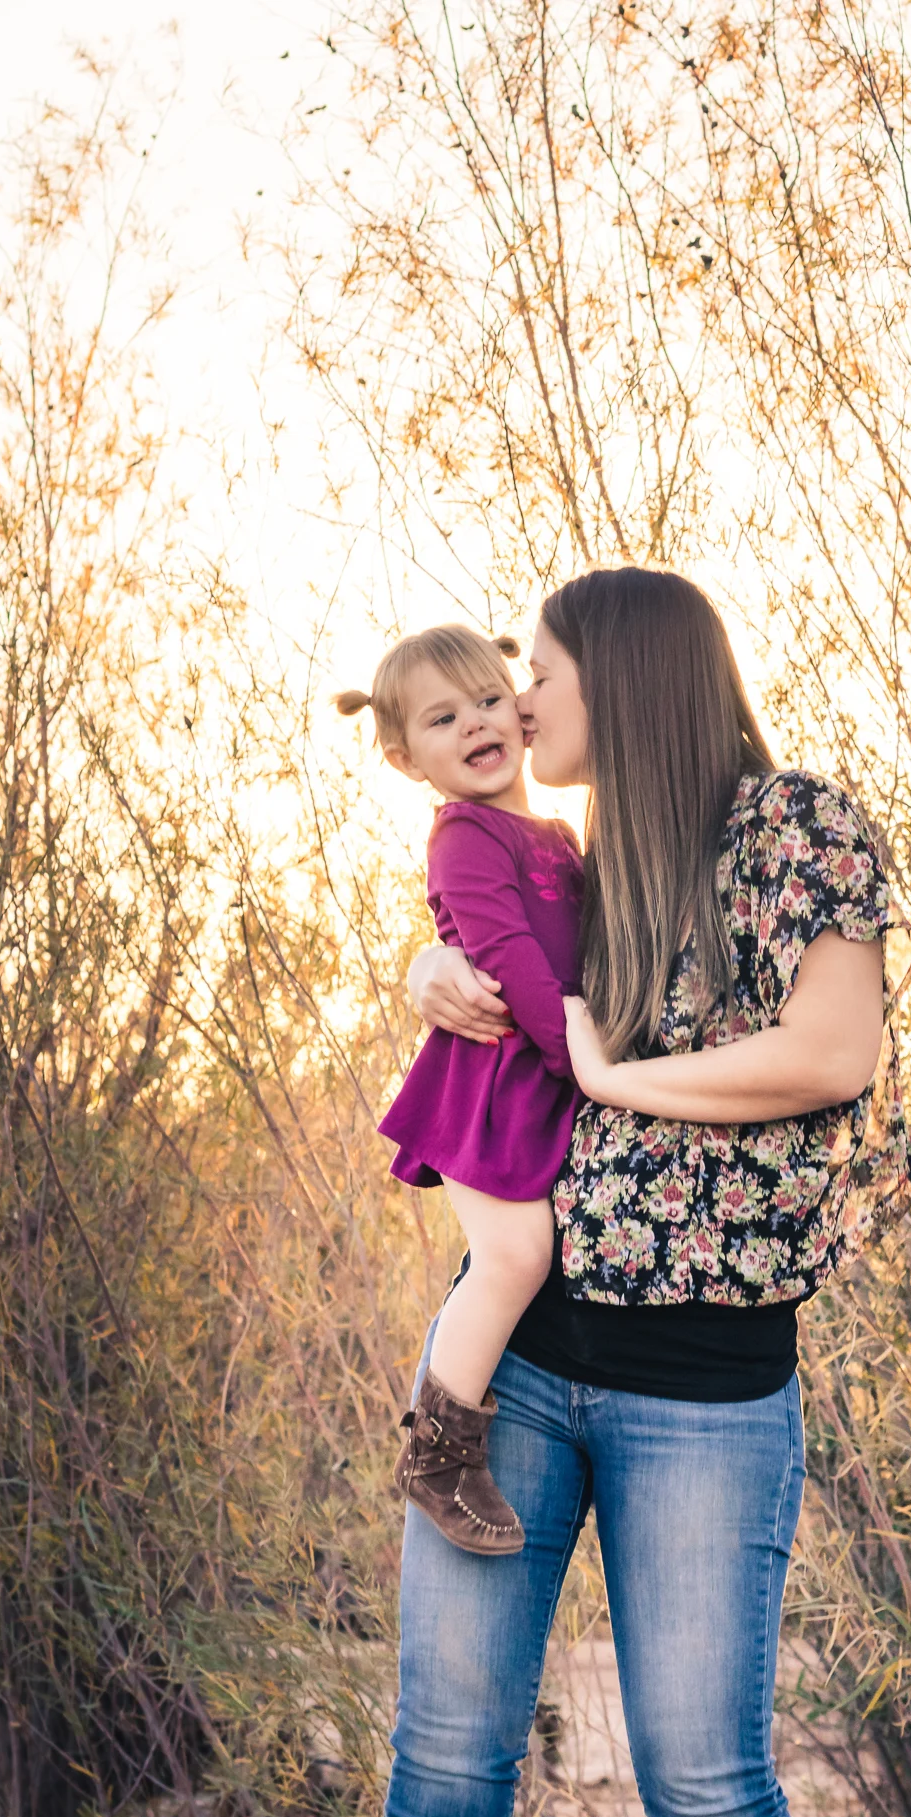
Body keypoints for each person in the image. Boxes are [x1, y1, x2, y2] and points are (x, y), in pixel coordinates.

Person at [363, 567, 901, 1817]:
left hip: (704, 1389)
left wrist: (616, 1079)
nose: (516, 698)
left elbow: (827, 1052)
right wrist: (429, 966)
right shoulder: (576, 852)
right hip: (525, 1365)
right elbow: (497, 959)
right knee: (451, 1749)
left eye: (534, 668)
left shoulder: (795, 826)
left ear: (624, 673)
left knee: (701, 1774)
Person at [340, 626, 584, 1556]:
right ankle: (439, 1449)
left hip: (542, 1083)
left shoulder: (556, 833)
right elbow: (512, 963)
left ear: (519, 707)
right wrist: (586, 1065)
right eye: (444, 719)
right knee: (517, 1252)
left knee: (538, 1245)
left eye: (487, 699)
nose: (476, 723)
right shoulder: (465, 837)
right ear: (408, 760)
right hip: (483, 1088)